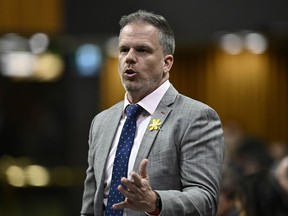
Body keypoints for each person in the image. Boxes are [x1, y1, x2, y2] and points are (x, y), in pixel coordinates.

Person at [80, 10, 225, 216]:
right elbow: (90, 203)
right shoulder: (101, 122)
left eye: (142, 50)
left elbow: (205, 200)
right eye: (123, 50)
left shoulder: (196, 117)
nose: (129, 58)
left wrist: (155, 202)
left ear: (167, 63)